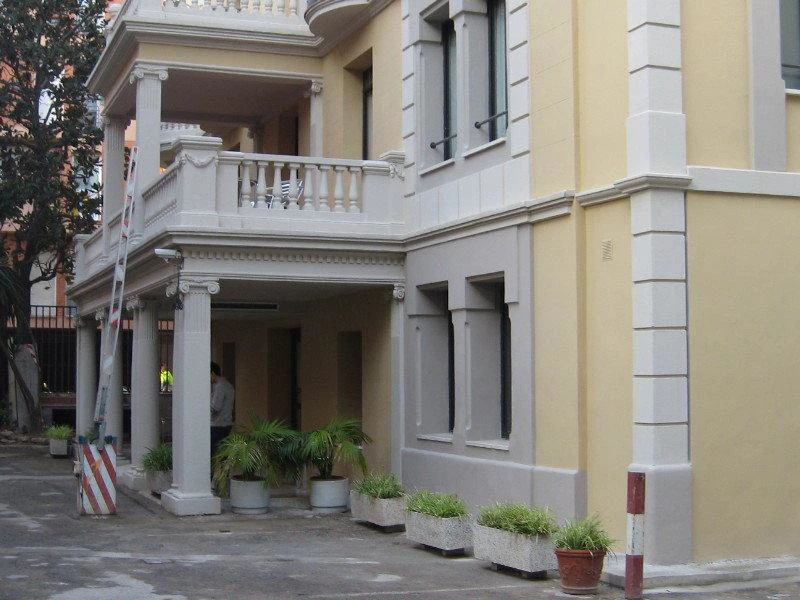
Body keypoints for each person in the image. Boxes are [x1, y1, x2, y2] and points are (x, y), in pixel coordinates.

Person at [210, 362, 234, 459]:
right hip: (226, 423)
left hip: (218, 424)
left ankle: (211, 469)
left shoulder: (220, 386)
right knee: (221, 452)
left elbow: (215, 407)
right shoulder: (227, 384)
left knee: (212, 453)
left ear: (212, 373)